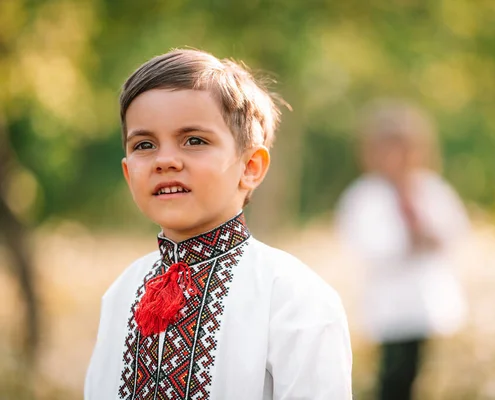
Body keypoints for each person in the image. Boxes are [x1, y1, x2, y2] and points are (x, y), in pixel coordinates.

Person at [85, 49, 352, 400]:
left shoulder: (292, 295)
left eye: (194, 141)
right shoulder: (123, 291)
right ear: (127, 171)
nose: (165, 160)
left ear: (251, 167)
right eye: (144, 144)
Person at [336, 100, 469, 400]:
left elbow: (455, 229)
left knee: (417, 372)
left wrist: (432, 236)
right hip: (390, 304)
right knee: (393, 375)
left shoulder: (430, 188)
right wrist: (408, 240)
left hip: (425, 300)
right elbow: (365, 245)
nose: (399, 158)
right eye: (389, 150)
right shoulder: (365, 196)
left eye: (406, 149)